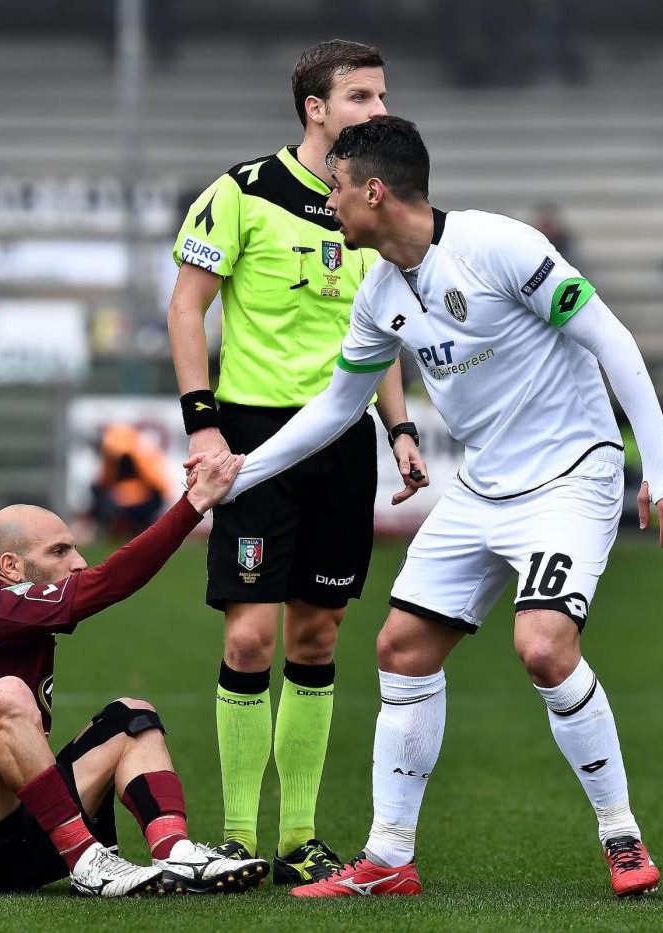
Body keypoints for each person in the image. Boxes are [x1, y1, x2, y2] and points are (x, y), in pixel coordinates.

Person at [194, 115, 663, 899]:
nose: (328, 201)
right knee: (400, 648)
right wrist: (241, 473)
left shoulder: (500, 246)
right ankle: (389, 857)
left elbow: (611, 337)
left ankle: (621, 835)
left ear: (374, 191)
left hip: (571, 474)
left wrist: (661, 468)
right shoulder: (378, 292)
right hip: (485, 483)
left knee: (542, 646)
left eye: (335, 188)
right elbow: (335, 409)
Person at [165, 39, 427, 885]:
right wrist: (203, 428)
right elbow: (185, 309)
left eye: (381, 94)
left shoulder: (374, 203)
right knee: (248, 636)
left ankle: (297, 836)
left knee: (319, 633)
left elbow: (380, 331)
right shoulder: (239, 193)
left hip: (343, 441)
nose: (377, 109)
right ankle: (239, 834)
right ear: (314, 108)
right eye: (359, 96)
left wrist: (399, 428)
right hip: (253, 441)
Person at [0, 450, 272, 897]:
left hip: (17, 841)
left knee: (133, 716)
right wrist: (195, 504)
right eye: (59, 550)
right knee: (8, 695)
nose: (77, 561)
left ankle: (177, 853)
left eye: (74, 547)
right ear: (12, 566)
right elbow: (109, 582)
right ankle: (87, 861)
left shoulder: (20, 617)